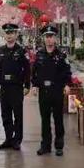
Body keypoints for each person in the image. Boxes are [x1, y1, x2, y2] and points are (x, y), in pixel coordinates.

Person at [31, 25, 71, 157]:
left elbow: (67, 72)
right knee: (45, 120)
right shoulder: (39, 54)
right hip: (43, 91)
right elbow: (35, 72)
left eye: (51, 36)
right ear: (44, 39)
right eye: (47, 37)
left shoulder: (61, 55)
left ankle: (59, 145)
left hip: (57, 91)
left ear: (55, 38)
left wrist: (66, 85)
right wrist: (35, 85)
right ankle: (45, 146)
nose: (49, 39)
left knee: (58, 119)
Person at [0, 23, 30, 150]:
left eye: (12, 33)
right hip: (4, 88)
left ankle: (17, 140)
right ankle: (8, 138)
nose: (9, 35)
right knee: (6, 115)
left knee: (18, 115)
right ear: (5, 35)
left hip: (16, 88)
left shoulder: (21, 51)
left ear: (16, 34)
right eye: (7, 33)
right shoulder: (1, 51)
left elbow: (27, 69)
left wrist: (27, 85)